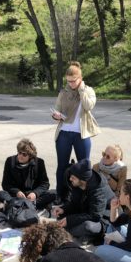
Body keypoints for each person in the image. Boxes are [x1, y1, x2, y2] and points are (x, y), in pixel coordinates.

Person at [52, 61, 100, 200]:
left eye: (73, 81)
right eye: (68, 81)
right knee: (62, 166)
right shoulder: (63, 92)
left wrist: (81, 90)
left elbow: (88, 106)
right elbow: (57, 110)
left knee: (84, 167)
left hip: (82, 134)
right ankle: (61, 194)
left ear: (80, 78)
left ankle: (85, 195)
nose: (71, 84)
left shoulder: (88, 91)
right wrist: (55, 116)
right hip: (64, 133)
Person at [52, 159, 114, 243]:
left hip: (102, 220)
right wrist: (63, 209)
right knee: (61, 215)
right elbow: (74, 203)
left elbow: (95, 216)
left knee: (88, 226)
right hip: (85, 212)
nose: (70, 179)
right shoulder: (77, 183)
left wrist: (69, 220)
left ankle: (85, 234)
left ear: (83, 180)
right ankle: (75, 232)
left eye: (73, 178)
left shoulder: (99, 190)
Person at [0, 138, 56, 212]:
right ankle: (31, 205)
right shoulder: (10, 161)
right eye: (19, 152)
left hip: (31, 194)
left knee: (52, 196)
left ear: (30, 156)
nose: (20, 156)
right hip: (16, 194)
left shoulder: (39, 162)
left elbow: (45, 184)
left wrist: (35, 193)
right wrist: (17, 192)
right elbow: (5, 184)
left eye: (24, 154)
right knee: (0, 194)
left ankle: (13, 204)